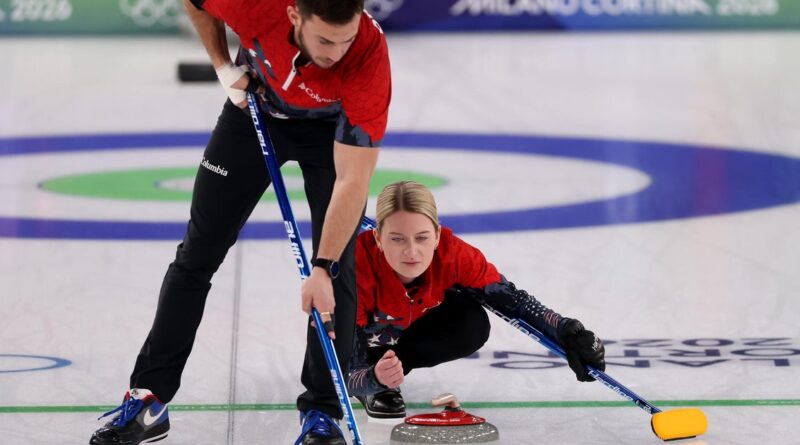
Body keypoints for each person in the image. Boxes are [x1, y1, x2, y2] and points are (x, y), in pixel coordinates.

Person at [90, 1, 390, 444]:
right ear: (294, 17)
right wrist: (223, 66)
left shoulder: (367, 55)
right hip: (256, 112)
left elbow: (352, 178)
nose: (337, 52)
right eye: (325, 40)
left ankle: (323, 413)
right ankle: (150, 397)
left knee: (337, 275)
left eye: (346, 39)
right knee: (197, 254)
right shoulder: (256, 6)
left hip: (332, 134)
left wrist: (323, 266)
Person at [346, 181, 606, 419]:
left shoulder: (454, 255)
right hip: (359, 346)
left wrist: (564, 329)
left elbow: (514, 301)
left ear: (437, 235)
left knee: (471, 322)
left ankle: (394, 367)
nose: (411, 251)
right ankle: (381, 379)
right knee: (353, 357)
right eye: (397, 238)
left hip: (406, 330)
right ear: (378, 238)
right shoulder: (355, 270)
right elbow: (339, 371)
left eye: (422, 237)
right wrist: (373, 379)